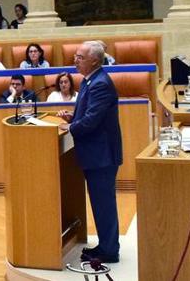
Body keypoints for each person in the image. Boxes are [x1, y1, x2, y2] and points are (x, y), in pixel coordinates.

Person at [57, 41, 122, 263]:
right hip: (95, 154)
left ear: (94, 60)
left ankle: (109, 250)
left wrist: (71, 127)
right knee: (100, 202)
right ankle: (106, 245)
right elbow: (87, 114)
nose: (75, 60)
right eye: (75, 56)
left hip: (102, 155)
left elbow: (93, 121)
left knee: (104, 204)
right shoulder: (88, 81)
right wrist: (72, 118)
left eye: (80, 57)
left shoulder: (100, 83)